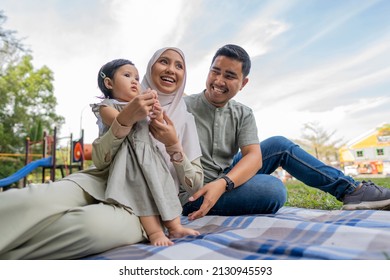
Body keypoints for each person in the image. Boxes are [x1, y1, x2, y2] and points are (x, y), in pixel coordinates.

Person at [0, 47, 203, 259]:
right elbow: (99, 158)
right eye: (164, 61)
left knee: (88, 227)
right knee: (30, 201)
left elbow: (195, 185)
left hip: (148, 200)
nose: (171, 69)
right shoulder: (122, 99)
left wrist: (173, 146)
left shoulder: (186, 119)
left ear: (184, 75)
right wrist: (124, 120)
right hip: (101, 179)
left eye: (179, 66)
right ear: (151, 67)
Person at [182, 44, 390, 220]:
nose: (219, 81)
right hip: (194, 192)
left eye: (229, 76)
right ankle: (206, 198)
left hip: (224, 179)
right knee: (273, 190)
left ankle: (352, 192)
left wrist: (224, 183)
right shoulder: (181, 106)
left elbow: (254, 158)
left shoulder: (243, 113)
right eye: (215, 71)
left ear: (243, 83)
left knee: (278, 145)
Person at [91, 57, 199, 246]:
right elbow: (119, 120)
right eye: (127, 75)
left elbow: (153, 125)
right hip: (130, 161)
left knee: (164, 188)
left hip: (150, 158)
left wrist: (155, 112)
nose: (134, 80)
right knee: (142, 194)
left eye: (136, 77)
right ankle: (156, 233)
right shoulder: (107, 106)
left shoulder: (150, 107)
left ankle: (175, 226)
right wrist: (135, 110)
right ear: (109, 83)